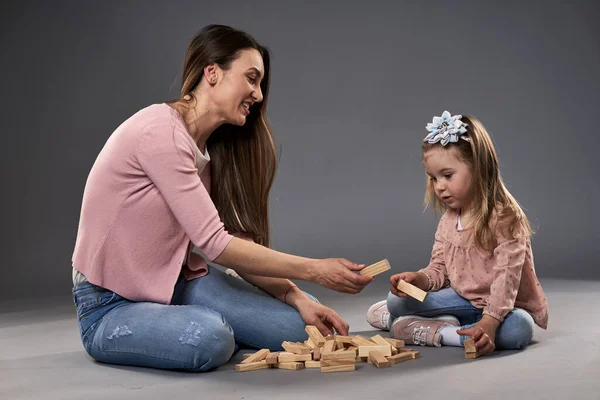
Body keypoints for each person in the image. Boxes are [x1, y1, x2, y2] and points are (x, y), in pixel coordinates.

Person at [71, 24, 372, 372]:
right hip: (109, 305)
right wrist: (315, 270)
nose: (258, 94)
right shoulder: (160, 132)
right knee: (212, 338)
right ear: (212, 73)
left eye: (259, 83)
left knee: (303, 329)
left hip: (173, 283)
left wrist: (295, 294)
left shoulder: (205, 147)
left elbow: (234, 238)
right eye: (251, 78)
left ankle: (190, 320)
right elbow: (215, 244)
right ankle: (192, 324)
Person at [366, 111, 548, 355]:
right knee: (396, 301)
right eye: (433, 178)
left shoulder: (505, 218)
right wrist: (418, 280)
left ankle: (441, 332)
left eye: (447, 175)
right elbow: (439, 269)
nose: (439, 186)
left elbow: (507, 279)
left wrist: (490, 321)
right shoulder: (449, 220)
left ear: (479, 168)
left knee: (519, 330)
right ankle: (444, 324)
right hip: (461, 299)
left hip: (502, 307)